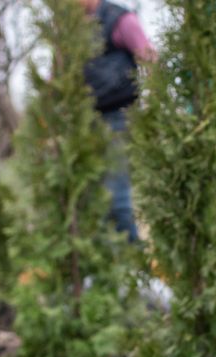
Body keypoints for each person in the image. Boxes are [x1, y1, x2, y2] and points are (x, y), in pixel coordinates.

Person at [80, 0, 153, 244]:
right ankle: (101, 269)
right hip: (84, 121)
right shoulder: (71, 26)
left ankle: (135, 269)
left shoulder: (120, 19)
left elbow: (148, 57)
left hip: (117, 117)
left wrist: (154, 107)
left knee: (117, 199)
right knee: (88, 201)